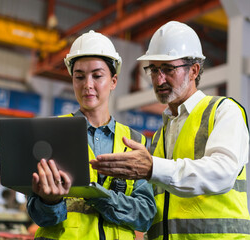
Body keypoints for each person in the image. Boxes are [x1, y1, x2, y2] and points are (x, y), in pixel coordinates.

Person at [90, 21, 250, 239]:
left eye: (168, 69)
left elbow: (222, 174)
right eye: (154, 69)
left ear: (194, 70)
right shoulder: (159, 137)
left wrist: (153, 168)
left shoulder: (224, 112)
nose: (159, 79)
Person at [26, 30, 156, 240]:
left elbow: (145, 215)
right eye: (79, 76)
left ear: (113, 81)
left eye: (97, 76)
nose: (87, 85)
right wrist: (50, 202)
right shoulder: (52, 132)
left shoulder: (135, 142)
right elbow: (39, 215)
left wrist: (99, 196)